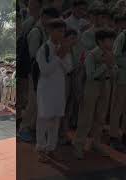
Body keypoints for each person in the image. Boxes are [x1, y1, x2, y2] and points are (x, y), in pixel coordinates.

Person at [73, 28, 117, 159]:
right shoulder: (91, 55)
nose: (111, 42)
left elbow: (115, 73)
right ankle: (78, 145)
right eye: (109, 40)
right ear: (100, 41)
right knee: (86, 117)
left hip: (106, 85)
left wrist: (111, 66)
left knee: (101, 116)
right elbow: (91, 75)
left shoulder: (111, 54)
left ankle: (95, 142)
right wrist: (105, 65)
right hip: (92, 86)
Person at [18, 7, 60, 142]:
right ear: (44, 18)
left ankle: (31, 127)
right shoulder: (36, 32)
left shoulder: (45, 32)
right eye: (51, 20)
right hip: (35, 73)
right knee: (33, 102)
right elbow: (33, 55)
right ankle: (23, 128)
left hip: (44, 73)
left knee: (39, 102)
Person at [35, 19, 72, 162]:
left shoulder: (64, 48)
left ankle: (51, 148)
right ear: (50, 31)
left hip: (59, 88)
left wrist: (62, 55)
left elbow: (69, 68)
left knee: (56, 119)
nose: (61, 34)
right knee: (44, 119)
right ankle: (40, 148)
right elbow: (44, 71)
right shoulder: (43, 49)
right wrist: (58, 57)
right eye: (58, 31)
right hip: (45, 90)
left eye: (63, 31)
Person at [109, 23, 126, 152]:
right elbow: (115, 56)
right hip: (122, 78)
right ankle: (113, 137)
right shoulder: (122, 36)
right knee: (117, 108)